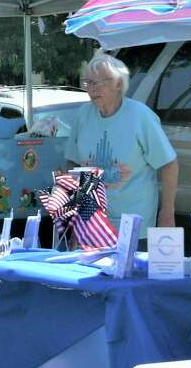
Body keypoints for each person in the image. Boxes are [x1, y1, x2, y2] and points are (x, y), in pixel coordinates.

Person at [65, 54, 178, 237]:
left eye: (99, 82)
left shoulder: (140, 116)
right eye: (88, 83)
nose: (92, 89)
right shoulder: (83, 115)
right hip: (92, 225)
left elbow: (169, 165)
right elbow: (73, 163)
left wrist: (167, 213)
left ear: (118, 83)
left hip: (134, 225)